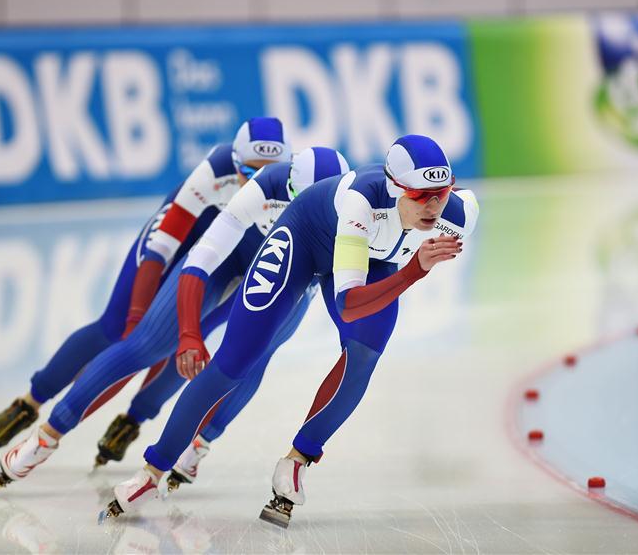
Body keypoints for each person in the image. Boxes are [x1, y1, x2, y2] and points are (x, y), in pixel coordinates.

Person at [101, 135, 478, 529]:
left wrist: (408, 267)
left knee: (365, 354)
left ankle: (297, 461)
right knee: (234, 363)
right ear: (395, 187)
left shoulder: (460, 217)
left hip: (370, 256)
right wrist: (413, 270)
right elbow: (350, 304)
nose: (433, 206)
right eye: (420, 195)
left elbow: (362, 305)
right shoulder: (360, 202)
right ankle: (152, 472)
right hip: (305, 240)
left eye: (441, 192)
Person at [0, 147, 351, 491]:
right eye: (297, 201)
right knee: (149, 342)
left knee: (253, 357)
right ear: (286, 185)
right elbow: (202, 257)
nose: (304, 211)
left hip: (293, 271)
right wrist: (188, 332)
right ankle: (46, 437)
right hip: (233, 254)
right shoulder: (262, 184)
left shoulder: (352, 209)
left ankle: (198, 443)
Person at [0, 117, 291, 466]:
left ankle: (135, 418)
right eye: (249, 171)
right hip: (187, 234)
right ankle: (30, 401)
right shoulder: (215, 171)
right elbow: (161, 247)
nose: (258, 184)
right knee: (118, 329)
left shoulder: (291, 187)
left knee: (190, 337)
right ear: (234, 161)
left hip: (236, 250)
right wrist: (136, 317)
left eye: (269, 175)